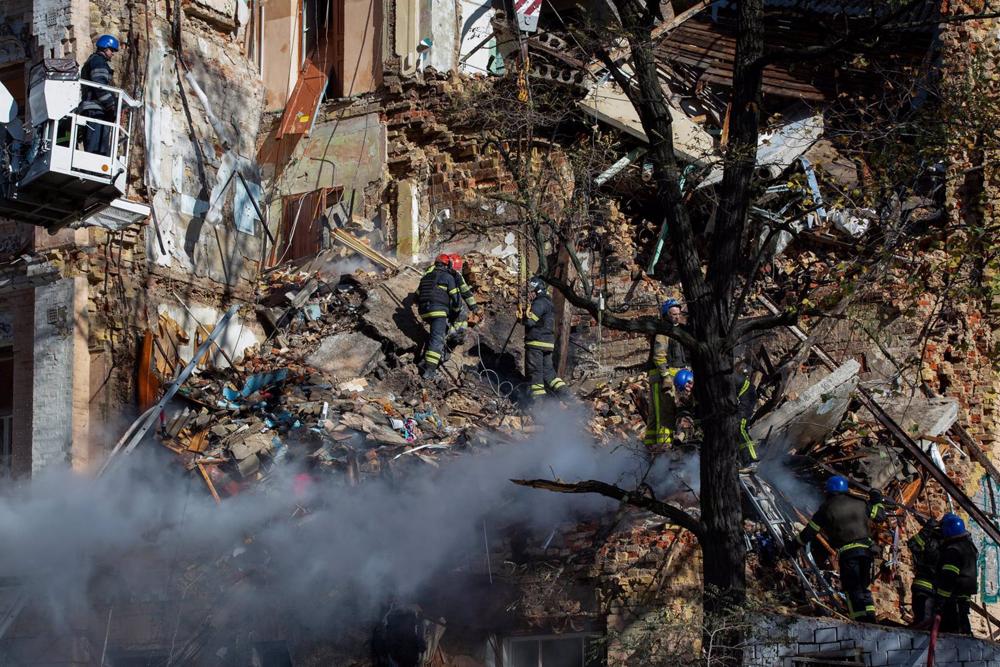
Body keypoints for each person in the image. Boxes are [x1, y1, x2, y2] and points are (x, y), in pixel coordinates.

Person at [787, 476, 886, 623]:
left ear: (829, 491)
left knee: (853, 589)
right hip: (867, 552)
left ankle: (861, 622)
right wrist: (877, 498)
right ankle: (870, 618)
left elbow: (809, 532)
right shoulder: (861, 503)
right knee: (863, 587)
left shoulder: (826, 508)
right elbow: (880, 515)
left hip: (849, 554)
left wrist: (793, 545)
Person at [933, 513, 978, 635]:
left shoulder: (953, 550)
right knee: (963, 625)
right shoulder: (969, 547)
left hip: (953, 597)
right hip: (963, 596)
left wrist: (940, 600)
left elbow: (949, 577)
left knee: (951, 630)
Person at [522, 276, 567, 399]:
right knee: (549, 375)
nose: (529, 295)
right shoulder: (548, 302)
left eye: (530, 292)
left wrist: (522, 317)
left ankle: (539, 407)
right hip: (547, 344)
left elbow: (530, 322)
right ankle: (569, 399)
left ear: (536, 291)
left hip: (536, 344)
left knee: (535, 375)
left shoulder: (539, 303)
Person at [416, 254, 460, 380]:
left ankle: (424, 361)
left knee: (433, 335)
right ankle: (429, 371)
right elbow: (456, 299)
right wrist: (454, 314)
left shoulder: (426, 277)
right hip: (439, 311)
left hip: (424, 312)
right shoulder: (448, 277)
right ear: (447, 265)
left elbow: (417, 296)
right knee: (437, 339)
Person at [79, 35, 120, 156]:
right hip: (95, 111)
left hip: (94, 110)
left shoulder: (94, 61)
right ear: (104, 48)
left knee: (98, 149)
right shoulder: (98, 61)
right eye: (112, 50)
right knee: (96, 150)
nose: (113, 54)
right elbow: (100, 86)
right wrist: (111, 105)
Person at [907, 517, 942, 627]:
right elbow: (912, 544)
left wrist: (927, 529)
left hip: (925, 589)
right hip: (928, 590)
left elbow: (912, 544)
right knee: (924, 625)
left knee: (925, 625)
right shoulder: (947, 545)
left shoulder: (930, 539)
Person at [736, 360, 759, 464]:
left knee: (741, 427)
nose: (687, 389)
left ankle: (752, 460)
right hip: (742, 398)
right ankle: (742, 459)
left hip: (747, 397)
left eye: (686, 386)